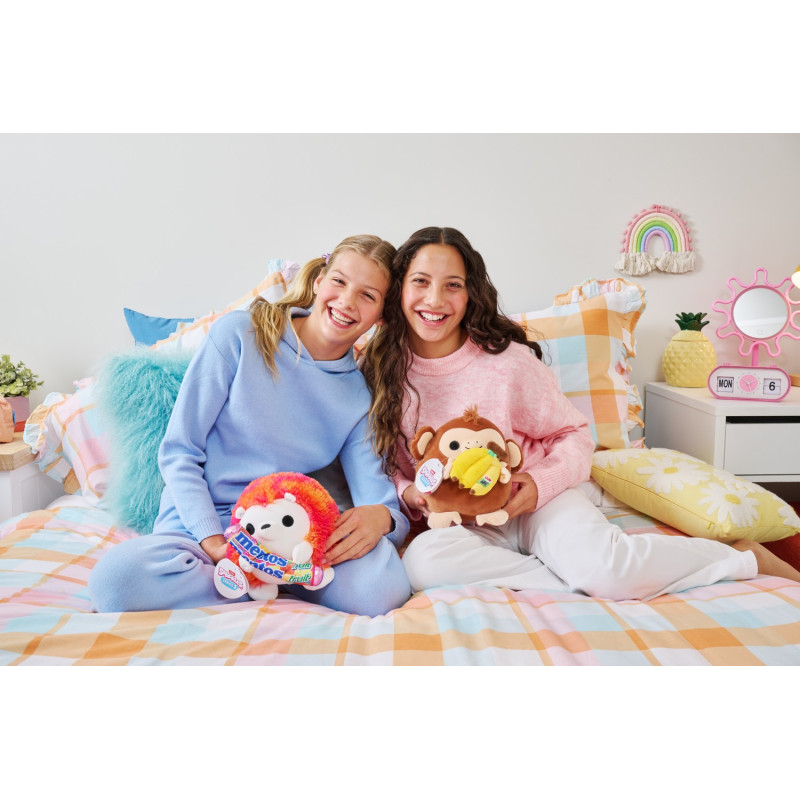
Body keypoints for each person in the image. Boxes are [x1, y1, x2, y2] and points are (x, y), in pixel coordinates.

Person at [360, 226, 800, 600]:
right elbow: (383, 467)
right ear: (400, 289)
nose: (435, 298)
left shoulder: (505, 362)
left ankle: (739, 557)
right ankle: (571, 576)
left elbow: (574, 435)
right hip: (462, 522)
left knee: (609, 571)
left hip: (537, 502)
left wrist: (539, 484)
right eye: (420, 281)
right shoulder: (380, 370)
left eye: (453, 284)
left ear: (471, 292)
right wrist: (410, 493)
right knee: (421, 565)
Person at [89, 235, 411, 616]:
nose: (346, 301)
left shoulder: (357, 397)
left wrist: (383, 518)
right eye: (339, 281)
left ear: (382, 316)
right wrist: (213, 541)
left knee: (382, 590)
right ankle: (247, 580)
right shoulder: (239, 334)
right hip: (201, 528)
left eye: (367, 296)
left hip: (288, 539)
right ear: (319, 281)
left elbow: (380, 502)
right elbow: (179, 451)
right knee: (115, 582)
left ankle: (262, 577)